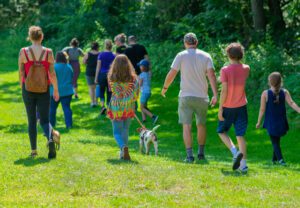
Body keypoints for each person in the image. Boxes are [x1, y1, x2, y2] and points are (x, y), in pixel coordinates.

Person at [161, 32, 218, 163]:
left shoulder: (181, 55)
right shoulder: (206, 56)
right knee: (201, 125)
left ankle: (189, 156)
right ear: (196, 42)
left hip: (186, 96)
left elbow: (172, 73)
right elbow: (212, 76)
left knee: (186, 126)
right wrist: (215, 94)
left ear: (185, 43)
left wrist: (165, 88)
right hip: (202, 97)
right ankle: (201, 154)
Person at [18, 25, 60, 159]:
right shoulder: (48, 52)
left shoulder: (23, 52)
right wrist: (56, 90)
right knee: (45, 119)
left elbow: (21, 72)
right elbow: (52, 73)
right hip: (44, 89)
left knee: (31, 120)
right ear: (42, 37)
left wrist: (21, 87)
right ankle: (50, 139)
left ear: (30, 37)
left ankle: (34, 151)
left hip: (28, 89)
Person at [217, 43, 250, 173]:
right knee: (240, 135)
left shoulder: (225, 70)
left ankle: (235, 152)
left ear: (228, 55)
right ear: (240, 55)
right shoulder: (246, 68)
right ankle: (244, 166)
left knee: (221, 131)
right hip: (242, 106)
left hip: (228, 107)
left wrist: (220, 109)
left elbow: (224, 90)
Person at [256, 72, 300, 165]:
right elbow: (291, 103)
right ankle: (274, 160)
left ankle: (281, 160)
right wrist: (299, 110)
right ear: (281, 82)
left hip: (271, 122)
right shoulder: (284, 92)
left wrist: (259, 122)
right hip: (281, 121)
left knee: (275, 142)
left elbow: (262, 109)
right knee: (276, 140)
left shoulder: (265, 93)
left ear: (269, 82)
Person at [107, 55, 139, 160]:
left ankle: (123, 147)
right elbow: (135, 92)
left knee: (116, 132)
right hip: (128, 106)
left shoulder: (111, 77)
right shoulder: (133, 78)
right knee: (125, 129)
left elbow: (113, 91)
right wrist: (133, 102)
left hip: (116, 106)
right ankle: (124, 152)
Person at [49, 52, 74, 129]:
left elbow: (50, 79)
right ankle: (69, 124)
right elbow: (72, 77)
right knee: (67, 108)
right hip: (67, 91)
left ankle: (52, 124)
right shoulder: (69, 67)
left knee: (52, 109)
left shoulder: (53, 67)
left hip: (54, 91)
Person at [95, 39, 115, 114]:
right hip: (111, 75)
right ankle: (109, 107)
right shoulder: (113, 55)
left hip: (102, 75)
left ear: (105, 45)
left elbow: (98, 67)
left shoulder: (101, 54)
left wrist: (96, 77)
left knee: (101, 91)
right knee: (110, 92)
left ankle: (103, 106)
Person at [138, 59, 158, 124]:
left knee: (141, 107)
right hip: (148, 92)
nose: (139, 67)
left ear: (143, 67)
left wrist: (137, 81)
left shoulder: (142, 75)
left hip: (144, 92)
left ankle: (153, 116)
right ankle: (144, 120)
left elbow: (140, 84)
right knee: (144, 106)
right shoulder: (148, 73)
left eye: (140, 66)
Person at [83, 41, 99, 107]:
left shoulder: (88, 54)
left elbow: (83, 62)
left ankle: (92, 102)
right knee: (96, 87)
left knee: (91, 88)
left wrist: (87, 62)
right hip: (97, 72)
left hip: (89, 71)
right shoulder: (99, 53)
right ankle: (96, 101)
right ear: (97, 47)